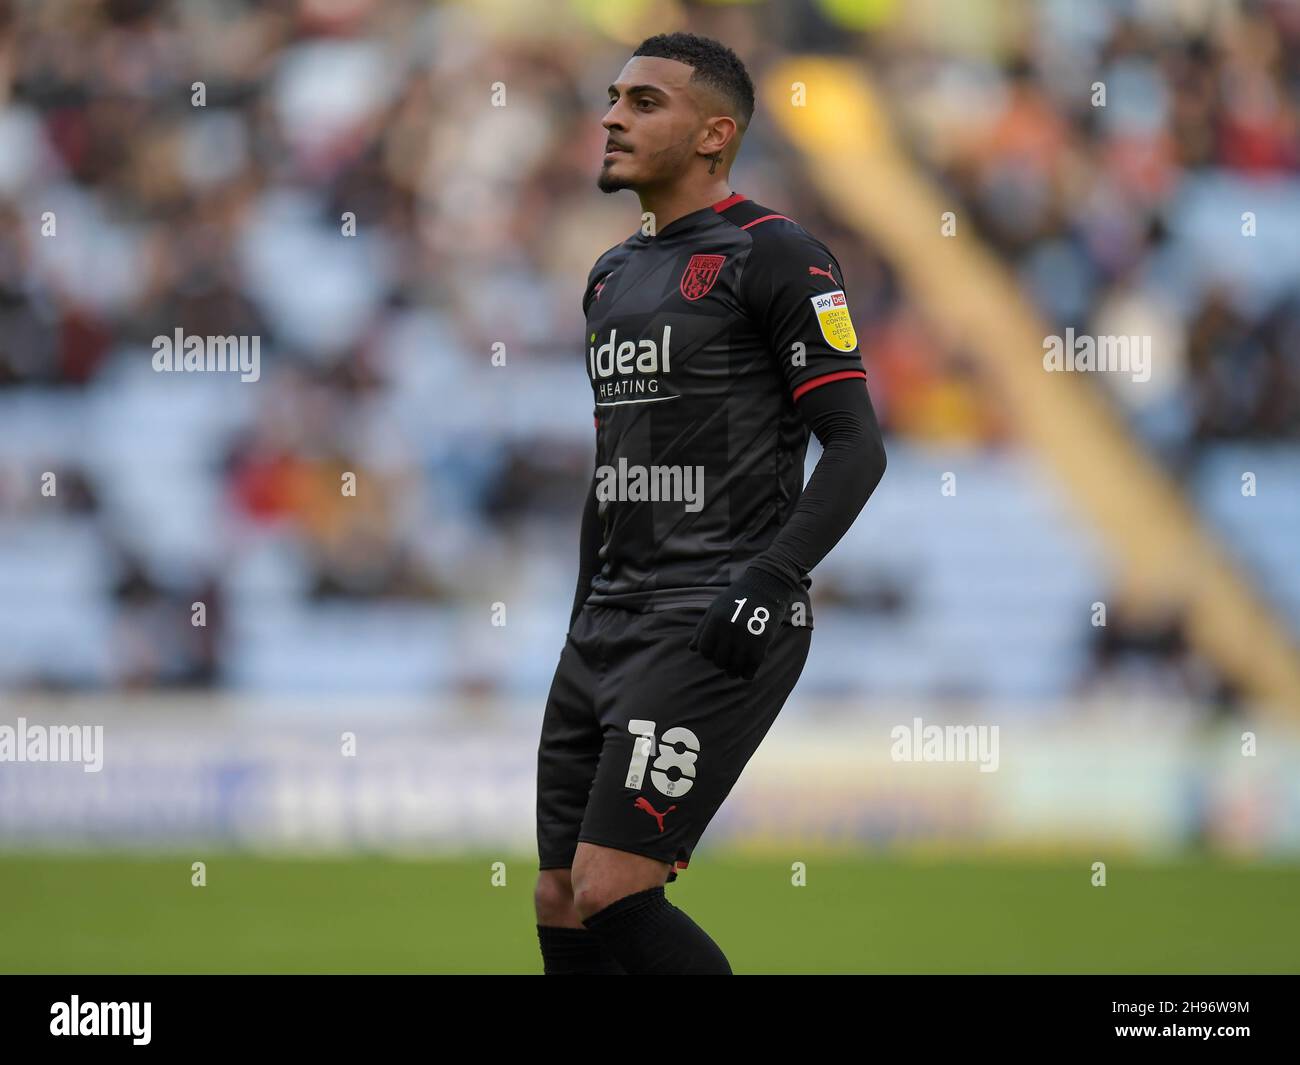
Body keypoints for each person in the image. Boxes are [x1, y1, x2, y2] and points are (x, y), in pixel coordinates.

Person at [534, 31, 887, 975]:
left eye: (645, 102)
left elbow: (857, 445)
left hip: (715, 612)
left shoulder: (778, 256)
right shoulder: (609, 275)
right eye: (613, 96)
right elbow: (611, 472)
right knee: (560, 895)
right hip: (609, 619)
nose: (611, 115)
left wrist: (771, 578)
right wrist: (579, 619)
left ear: (713, 135)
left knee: (612, 883)